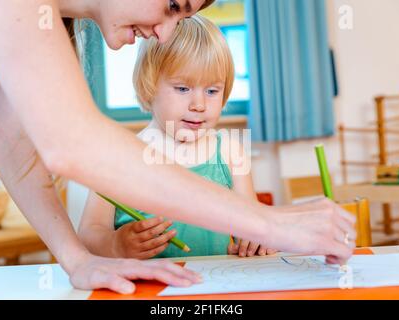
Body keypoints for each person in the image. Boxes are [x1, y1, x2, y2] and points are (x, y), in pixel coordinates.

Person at [0, 0, 356, 294]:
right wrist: (272, 223)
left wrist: (77, 261)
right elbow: (70, 142)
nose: (166, 32)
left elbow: (15, 152)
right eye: (173, 5)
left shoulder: (44, 20)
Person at [78, 15, 276, 259]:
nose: (199, 104)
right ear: (149, 84)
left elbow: (253, 224)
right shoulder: (118, 157)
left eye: (212, 91)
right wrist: (116, 245)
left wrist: (257, 239)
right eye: (183, 88)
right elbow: (88, 234)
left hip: (214, 289)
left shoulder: (230, 152)